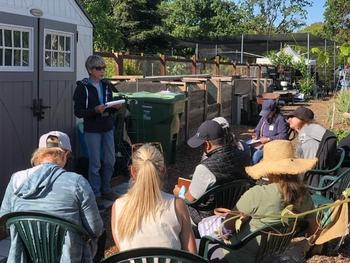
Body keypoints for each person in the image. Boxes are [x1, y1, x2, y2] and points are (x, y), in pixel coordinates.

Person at [0, 131, 104, 262]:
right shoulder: (77, 182)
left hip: (26, 257)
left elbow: (4, 218)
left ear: (39, 154)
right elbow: (95, 228)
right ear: (65, 154)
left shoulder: (15, 180)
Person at [224, 140, 317, 263]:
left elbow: (228, 225)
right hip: (275, 256)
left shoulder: (257, 194)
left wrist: (224, 232)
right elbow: (314, 222)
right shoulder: (303, 195)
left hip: (241, 255)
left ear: (269, 170)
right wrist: (310, 245)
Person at [111, 144, 196, 253]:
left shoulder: (118, 206)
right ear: (163, 171)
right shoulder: (177, 205)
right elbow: (192, 254)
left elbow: (123, 249)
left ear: (133, 172)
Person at [173, 120, 250, 224]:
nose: (201, 148)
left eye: (202, 145)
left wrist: (180, 193)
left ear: (208, 145)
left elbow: (190, 200)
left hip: (207, 218)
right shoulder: (243, 156)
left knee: (175, 200)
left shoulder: (205, 168)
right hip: (234, 211)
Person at [73, 55, 121, 203]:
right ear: (90, 70)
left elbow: (108, 105)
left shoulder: (106, 85)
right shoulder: (82, 88)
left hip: (107, 126)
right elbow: (78, 112)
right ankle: (96, 193)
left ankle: (106, 189)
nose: (102, 71)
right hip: (92, 129)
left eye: (103, 68)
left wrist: (115, 107)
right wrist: (95, 110)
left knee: (110, 160)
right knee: (95, 164)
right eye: (98, 68)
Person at [251, 99, 289, 164]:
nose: (266, 115)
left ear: (274, 110)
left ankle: (256, 171)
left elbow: (283, 136)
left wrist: (268, 139)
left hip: (273, 146)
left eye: (268, 113)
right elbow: (257, 128)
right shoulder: (264, 118)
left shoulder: (280, 119)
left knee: (256, 155)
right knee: (246, 150)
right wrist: (256, 134)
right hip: (261, 144)